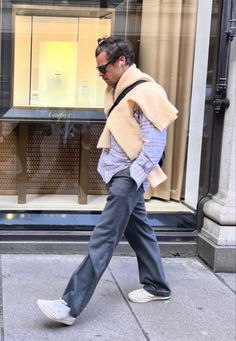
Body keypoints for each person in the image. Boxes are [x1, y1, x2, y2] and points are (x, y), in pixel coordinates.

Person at [37, 37, 178, 326]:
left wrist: (130, 181)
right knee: (140, 231)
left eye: (104, 68)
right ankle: (158, 286)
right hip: (121, 174)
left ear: (122, 61)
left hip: (129, 175)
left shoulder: (148, 91)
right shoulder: (117, 89)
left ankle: (69, 305)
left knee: (102, 239)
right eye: (98, 69)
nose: (101, 75)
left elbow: (154, 146)